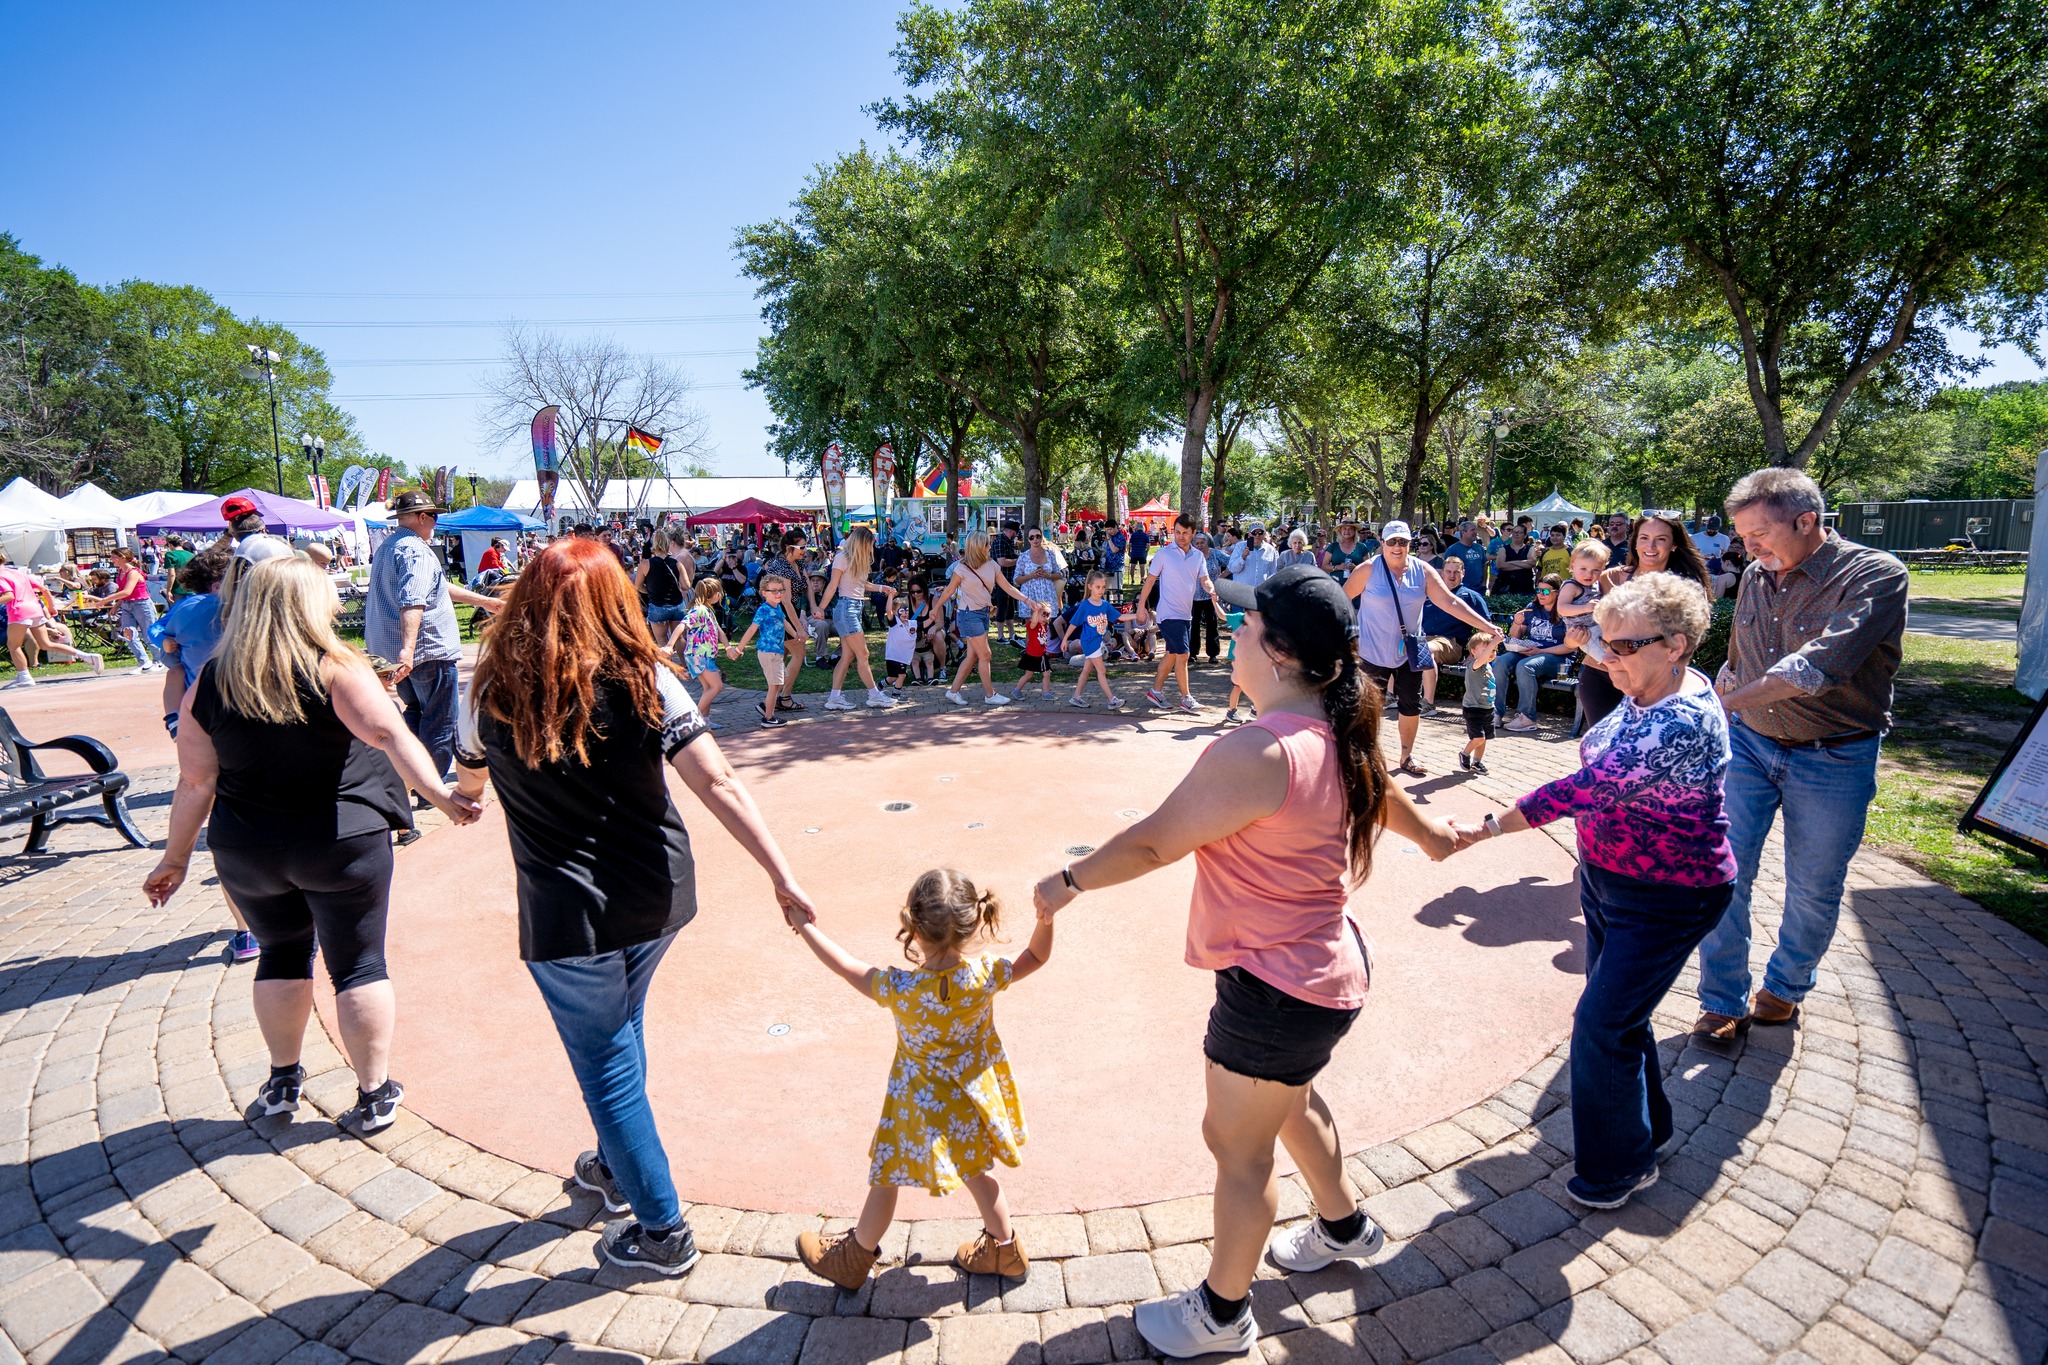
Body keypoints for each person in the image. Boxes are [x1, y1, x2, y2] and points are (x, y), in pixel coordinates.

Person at [1031, 566, 1460, 1359]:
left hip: (1277, 989)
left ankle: (1222, 1314)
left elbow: (1157, 840)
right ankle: (1345, 1227)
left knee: (1238, 1145)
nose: (1233, 633)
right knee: (1287, 1105)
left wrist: (1064, 883)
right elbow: (1383, 789)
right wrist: (1432, 835)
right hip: (1324, 973)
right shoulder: (1335, 730)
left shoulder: (1260, 749)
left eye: (1247, 626)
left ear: (1282, 652)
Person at [451, 537, 814, 1274]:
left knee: (606, 1063)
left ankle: (661, 1228)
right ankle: (618, 1165)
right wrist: (780, 872)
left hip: (568, 913)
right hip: (657, 894)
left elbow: (469, 776)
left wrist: (460, 800)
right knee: (619, 1033)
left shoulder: (489, 684)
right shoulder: (647, 675)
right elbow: (718, 782)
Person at [142, 558, 479, 1137]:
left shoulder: (213, 678)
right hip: (339, 838)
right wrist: (440, 794)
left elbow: (196, 782)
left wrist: (174, 859)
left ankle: (282, 1081)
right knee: (359, 964)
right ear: (311, 601)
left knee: (279, 954)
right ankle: (374, 1094)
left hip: (246, 847)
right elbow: (388, 733)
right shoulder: (334, 664)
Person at [1450, 573, 1732, 1209]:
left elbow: (1576, 792)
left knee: (1600, 1026)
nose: (1611, 659)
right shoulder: (1655, 681)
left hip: (1666, 895)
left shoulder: (1676, 723)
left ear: (1678, 644)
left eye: (1626, 647)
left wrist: (1485, 828)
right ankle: (1648, 1135)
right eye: (1607, 643)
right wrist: (1594, 648)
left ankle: (1616, 1168)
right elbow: (1612, 671)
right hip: (1612, 883)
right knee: (1621, 1020)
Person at [1692, 469, 1906, 1043]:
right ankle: (1722, 999)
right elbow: (1740, 658)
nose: (1748, 547)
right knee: (1722, 872)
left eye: (1758, 534)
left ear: (1806, 521)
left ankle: (1784, 989)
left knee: (1813, 885)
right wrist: (1717, 698)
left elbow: (1815, 668)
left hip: (1835, 757)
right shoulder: (1759, 577)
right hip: (1751, 748)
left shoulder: (1875, 575)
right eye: (1742, 536)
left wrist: (1726, 703)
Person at [793, 869, 1055, 1289]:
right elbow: (1037, 957)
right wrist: (1047, 916)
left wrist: (805, 927)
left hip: (915, 1101)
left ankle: (853, 1258)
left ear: (912, 929)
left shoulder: (900, 988)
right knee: (976, 1171)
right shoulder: (985, 975)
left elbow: (845, 967)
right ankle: (1005, 1250)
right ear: (973, 922)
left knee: (886, 1175)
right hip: (970, 1096)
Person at [1345, 521, 1500, 777]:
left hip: (1410, 650)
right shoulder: (1368, 570)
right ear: (1382, 543)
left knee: (1410, 706)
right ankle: (1362, 757)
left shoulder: (1423, 570)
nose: (1397, 547)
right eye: (1392, 541)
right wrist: (1346, 636)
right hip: (1372, 650)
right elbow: (1342, 598)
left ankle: (1406, 756)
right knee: (1367, 709)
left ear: (1410, 544)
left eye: (1403, 542)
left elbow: (1450, 602)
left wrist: (1487, 626)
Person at [365, 490, 502, 779]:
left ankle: (407, 778)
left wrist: (484, 602)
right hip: (426, 651)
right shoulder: (415, 549)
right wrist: (408, 649)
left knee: (414, 713)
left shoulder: (390, 545)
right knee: (440, 721)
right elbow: (413, 599)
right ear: (422, 517)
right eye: (434, 517)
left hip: (392, 652)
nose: (436, 524)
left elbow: (435, 587)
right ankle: (431, 785)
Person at [1578, 515, 1716, 730]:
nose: (1650, 546)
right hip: (1601, 675)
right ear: (1635, 542)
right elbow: (1578, 622)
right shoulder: (1610, 578)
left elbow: (1690, 640)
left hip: (1656, 683)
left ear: (1674, 544)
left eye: (1660, 539)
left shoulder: (1686, 589)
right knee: (1605, 753)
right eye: (1644, 537)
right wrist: (1572, 640)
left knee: (1644, 752)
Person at [933, 532, 1032, 708]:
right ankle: (989, 695)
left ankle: (953, 691)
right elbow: (948, 591)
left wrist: (1026, 600)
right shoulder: (961, 568)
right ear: (979, 547)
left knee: (972, 656)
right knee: (985, 654)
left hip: (983, 613)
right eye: (987, 544)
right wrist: (935, 608)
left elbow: (1008, 587)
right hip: (969, 614)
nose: (990, 547)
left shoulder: (992, 565)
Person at [1139, 514, 1217, 714]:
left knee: (1173, 654)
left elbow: (1205, 580)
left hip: (1186, 614)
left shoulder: (1198, 556)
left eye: (1185, 533)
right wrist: (1141, 607)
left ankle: (1155, 691)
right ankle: (1186, 699)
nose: (1180, 537)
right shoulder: (1164, 554)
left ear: (1193, 533)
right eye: (1177, 532)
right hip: (1168, 613)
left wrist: (1212, 589)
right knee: (1183, 654)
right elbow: (1149, 581)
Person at [819, 526, 899, 711]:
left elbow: (861, 584)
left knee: (847, 656)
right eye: (869, 545)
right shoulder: (842, 558)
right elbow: (832, 586)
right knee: (863, 654)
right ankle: (874, 695)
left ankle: (834, 697)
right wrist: (820, 609)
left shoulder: (855, 560)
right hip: (847, 609)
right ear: (861, 543)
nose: (870, 549)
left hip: (853, 608)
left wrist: (881, 588)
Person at [1494, 576, 1585, 732]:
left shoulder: (1566, 612)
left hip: (1559, 659)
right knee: (1501, 662)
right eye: (1538, 590)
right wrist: (1516, 622)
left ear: (1558, 593)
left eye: (1545, 591)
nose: (1541, 595)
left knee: (1525, 666)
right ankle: (1495, 712)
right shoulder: (1532, 608)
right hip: (1531, 652)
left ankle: (1527, 717)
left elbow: (1570, 647)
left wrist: (1542, 651)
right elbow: (1515, 636)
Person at [0, 549, 101, 685]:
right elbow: (44, 588)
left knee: (13, 645)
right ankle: (88, 656)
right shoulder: (18, 572)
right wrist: (51, 607)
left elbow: (9, 595)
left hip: (18, 610)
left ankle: (24, 676)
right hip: (35, 609)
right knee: (45, 644)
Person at [730, 573, 804, 728]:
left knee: (781, 679)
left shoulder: (777, 608)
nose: (778, 594)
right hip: (768, 652)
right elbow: (751, 630)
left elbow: (785, 622)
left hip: (776, 651)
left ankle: (765, 706)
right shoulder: (763, 610)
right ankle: (768, 718)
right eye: (774, 591)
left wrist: (796, 634)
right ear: (764, 593)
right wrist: (738, 649)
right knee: (774, 684)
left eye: (780, 590)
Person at [1418, 555, 1492, 710]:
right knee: (1397, 646)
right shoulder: (1431, 594)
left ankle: (1428, 704)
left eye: (1456, 572)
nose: (1452, 576)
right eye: (1448, 571)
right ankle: (1393, 695)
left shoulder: (1470, 596)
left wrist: (1475, 653)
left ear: (1463, 573)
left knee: (1426, 649)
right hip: (1425, 638)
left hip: (1450, 643)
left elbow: (1486, 627)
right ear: (1442, 573)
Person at [84, 545, 164, 672]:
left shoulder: (133, 572)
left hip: (141, 604)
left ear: (123, 557)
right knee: (128, 634)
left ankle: (159, 660)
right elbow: (123, 593)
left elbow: (127, 591)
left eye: (114, 557)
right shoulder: (121, 572)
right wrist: (116, 606)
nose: (112, 560)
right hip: (127, 605)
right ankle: (143, 661)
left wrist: (106, 600)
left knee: (149, 634)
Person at [664, 579, 730, 721]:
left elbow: (719, 631)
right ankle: (694, 719)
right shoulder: (699, 610)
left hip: (703, 655)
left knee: (708, 687)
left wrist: (728, 647)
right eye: (719, 592)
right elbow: (682, 625)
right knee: (717, 686)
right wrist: (670, 645)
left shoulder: (708, 611)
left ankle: (705, 720)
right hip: (700, 656)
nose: (721, 595)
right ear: (714, 594)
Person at [1061, 572, 1127, 710]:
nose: (1101, 590)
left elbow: (1120, 617)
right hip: (1089, 642)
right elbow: (1073, 623)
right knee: (1101, 671)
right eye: (1098, 587)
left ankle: (1076, 696)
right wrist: (1065, 639)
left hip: (1098, 641)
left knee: (1086, 670)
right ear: (1090, 586)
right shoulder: (1085, 606)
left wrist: (1137, 615)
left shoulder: (1105, 605)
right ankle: (1111, 700)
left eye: (1103, 587)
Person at [632, 530, 691, 635]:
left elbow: (638, 586)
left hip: (657, 605)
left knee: (661, 641)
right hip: (677, 604)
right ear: (668, 544)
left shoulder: (645, 565)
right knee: (679, 639)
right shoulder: (677, 563)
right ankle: (681, 652)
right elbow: (686, 585)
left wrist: (649, 591)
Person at [1458, 631, 1499, 774]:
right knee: (1478, 737)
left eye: (1493, 650)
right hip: (1473, 709)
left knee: (1484, 738)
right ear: (1473, 652)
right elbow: (1481, 660)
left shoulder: (1488, 666)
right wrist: (1494, 642)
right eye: (1486, 649)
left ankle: (1477, 762)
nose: (1491, 653)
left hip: (1488, 708)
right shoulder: (1474, 666)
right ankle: (1465, 753)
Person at [1012, 526, 1067, 616]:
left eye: (1038, 536)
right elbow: (1016, 580)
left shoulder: (1050, 554)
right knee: (1031, 627)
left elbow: (1059, 574)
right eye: (1031, 537)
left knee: (1048, 627)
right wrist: (1030, 576)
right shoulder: (1023, 557)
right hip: (1029, 596)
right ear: (1028, 540)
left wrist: (1048, 575)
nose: (1035, 539)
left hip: (1048, 595)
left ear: (1042, 537)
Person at [1190, 533, 1222, 663]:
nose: (1199, 545)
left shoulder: (1215, 554)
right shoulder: (1190, 555)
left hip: (1210, 595)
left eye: (1202, 542)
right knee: (1193, 625)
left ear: (1207, 543)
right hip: (1193, 596)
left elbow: (1232, 562)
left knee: (1212, 624)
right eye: (1196, 543)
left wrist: (1223, 576)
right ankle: (1192, 653)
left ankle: (1213, 654)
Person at [1442, 521, 1490, 591]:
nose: (1476, 532)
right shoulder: (1453, 549)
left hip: (1479, 589)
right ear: (1463, 532)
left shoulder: (1479, 548)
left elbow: (1485, 565)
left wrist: (1484, 583)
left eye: (1476, 530)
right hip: (1460, 589)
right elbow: (1446, 569)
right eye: (1472, 530)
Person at [1494, 524, 1539, 596]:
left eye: (1519, 532)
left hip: (1525, 587)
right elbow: (1500, 565)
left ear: (1525, 535)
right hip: (1505, 587)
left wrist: (1510, 563)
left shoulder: (1530, 549)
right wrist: (1524, 565)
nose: (1516, 534)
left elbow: (1532, 563)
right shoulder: (1503, 549)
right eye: (1514, 532)